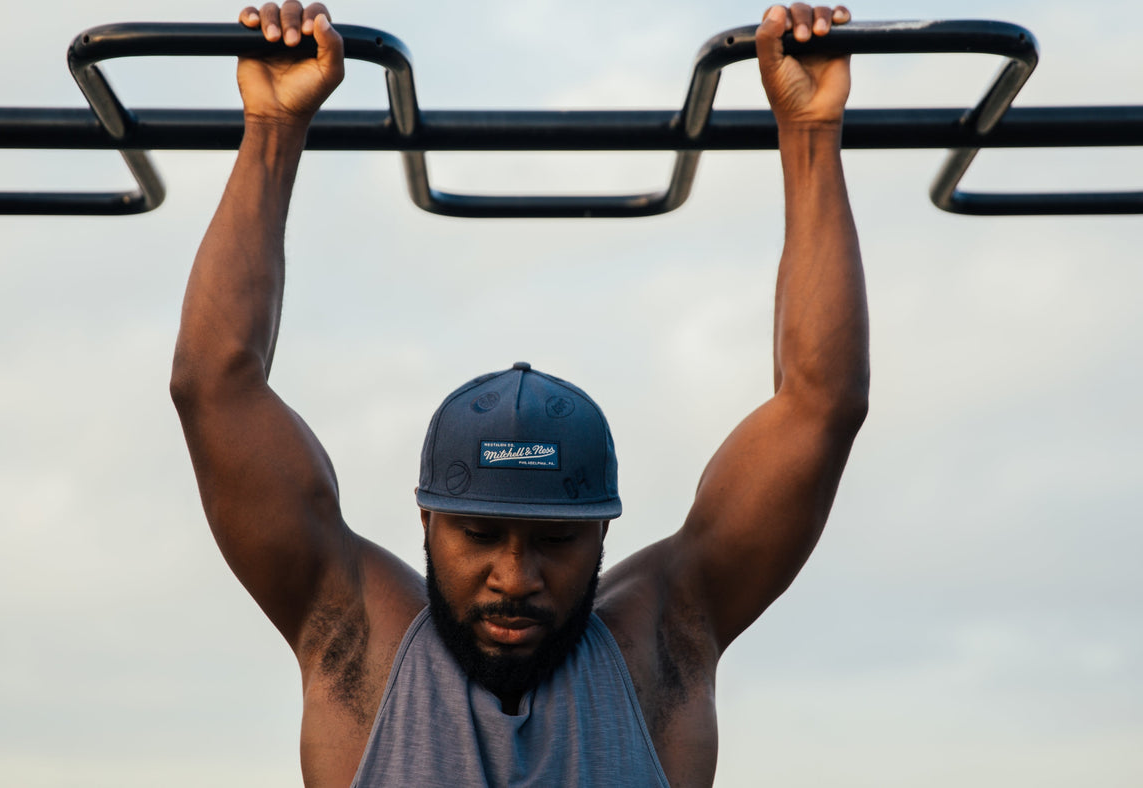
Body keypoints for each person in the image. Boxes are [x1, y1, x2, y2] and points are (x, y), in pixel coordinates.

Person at [169, 2, 867, 785]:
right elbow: (213, 386)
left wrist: (811, 131)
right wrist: (270, 127)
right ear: (428, 521)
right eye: (478, 533)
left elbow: (822, 404)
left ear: (603, 532)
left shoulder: (659, 650)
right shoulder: (359, 646)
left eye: (556, 541)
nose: (515, 577)